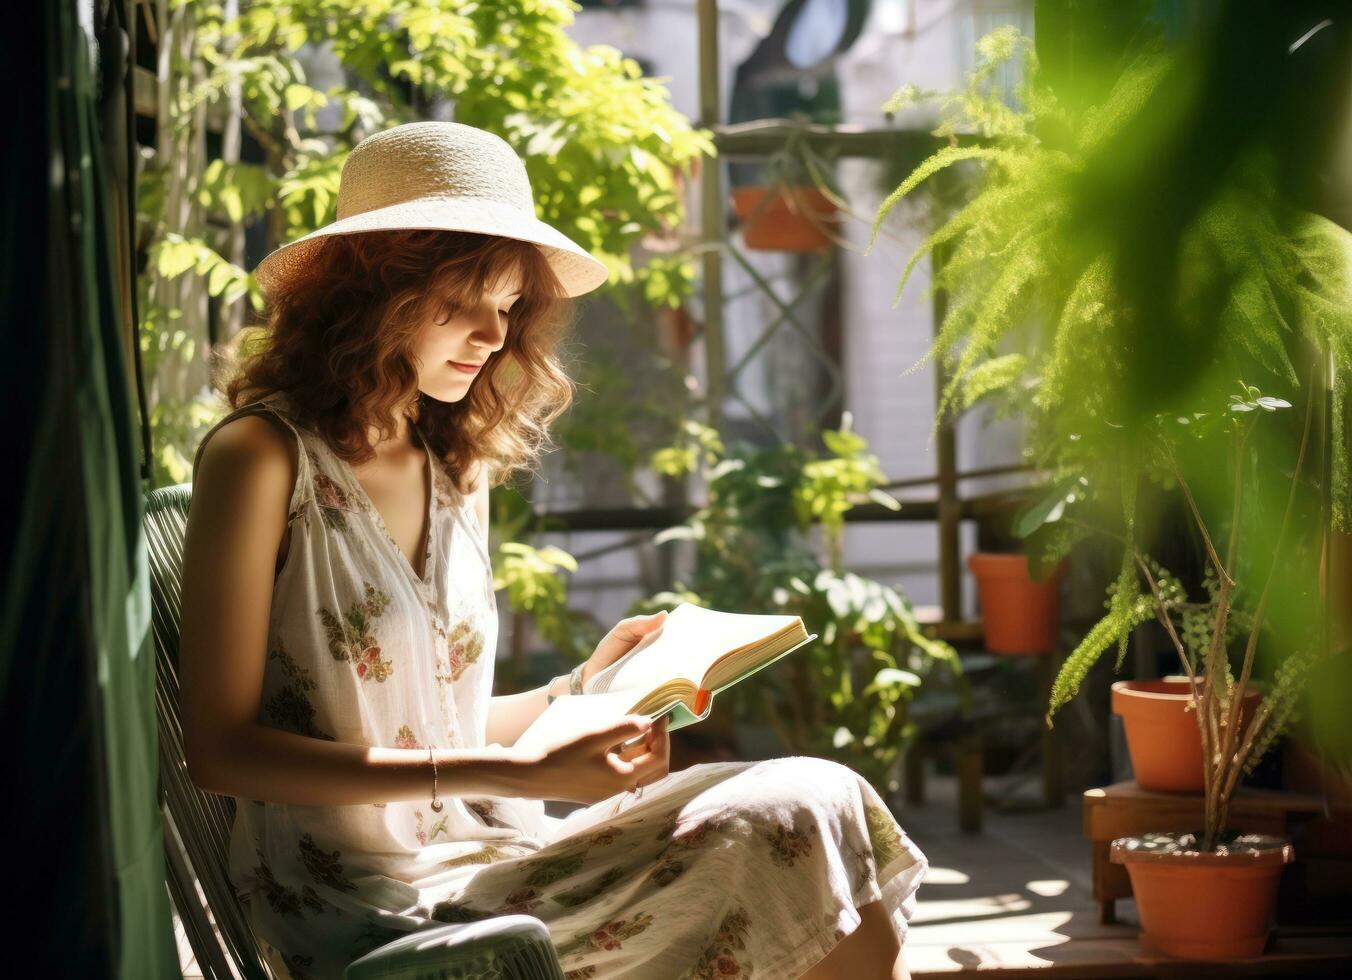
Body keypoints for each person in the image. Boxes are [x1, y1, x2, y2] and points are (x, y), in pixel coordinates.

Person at [178, 121, 926, 980]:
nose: (493, 336)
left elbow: (431, 723)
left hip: (491, 863)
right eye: (464, 299)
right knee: (793, 815)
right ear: (376, 289)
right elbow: (220, 749)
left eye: (506, 307)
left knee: (821, 800)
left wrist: (583, 690)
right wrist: (515, 772)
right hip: (374, 913)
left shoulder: (451, 467)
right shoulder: (261, 458)